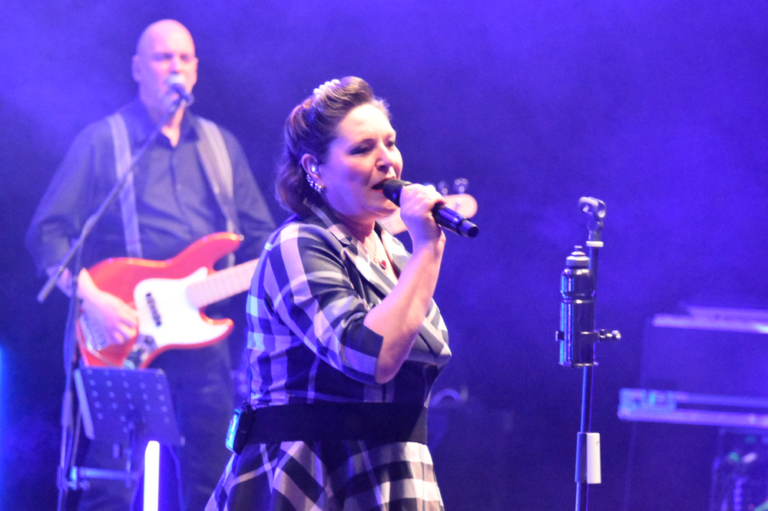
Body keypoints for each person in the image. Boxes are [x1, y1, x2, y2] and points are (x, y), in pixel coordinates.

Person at [25, 19, 275, 510]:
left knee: (212, 482)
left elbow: (263, 240)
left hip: (203, 346)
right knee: (110, 485)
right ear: (138, 68)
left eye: (184, 58)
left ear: (196, 70)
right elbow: (48, 234)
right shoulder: (105, 140)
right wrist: (93, 300)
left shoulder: (221, 146)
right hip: (121, 334)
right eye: (163, 58)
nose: (174, 68)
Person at [207, 77, 452, 511]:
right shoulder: (298, 244)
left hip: (396, 472)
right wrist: (429, 249)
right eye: (362, 149)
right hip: (315, 473)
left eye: (390, 143)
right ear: (315, 168)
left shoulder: (396, 253)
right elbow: (369, 356)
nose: (387, 161)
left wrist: (420, 252)